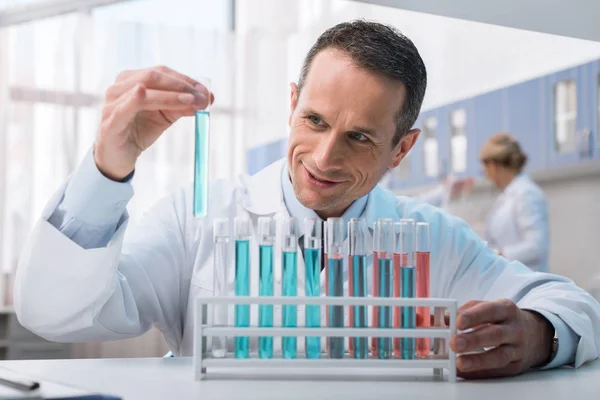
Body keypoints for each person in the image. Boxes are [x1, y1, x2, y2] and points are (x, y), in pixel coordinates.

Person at [14, 20, 600, 379]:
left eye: (360, 137)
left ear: (402, 149)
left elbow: (570, 304)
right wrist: (107, 167)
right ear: (292, 101)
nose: (323, 158)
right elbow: (56, 314)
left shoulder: (432, 238)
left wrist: (537, 335)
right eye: (314, 120)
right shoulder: (201, 218)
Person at [479, 133, 549, 272]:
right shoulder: (506, 195)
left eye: (485, 168)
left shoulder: (527, 193)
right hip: (509, 278)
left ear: (492, 165)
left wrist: (498, 254)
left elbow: (536, 248)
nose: (485, 174)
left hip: (527, 280)